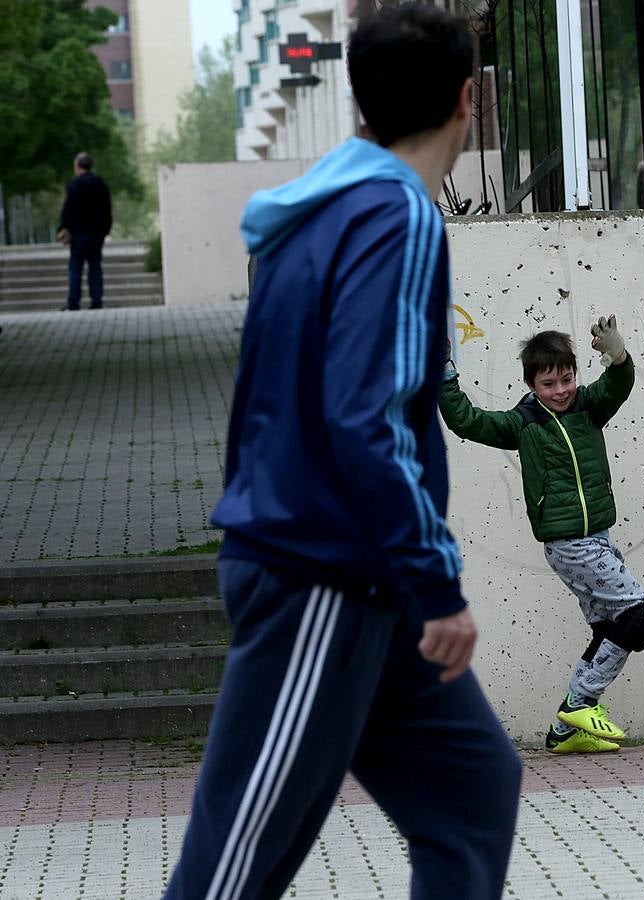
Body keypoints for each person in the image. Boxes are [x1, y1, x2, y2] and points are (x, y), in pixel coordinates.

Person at [163, 6, 522, 899]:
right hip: (322, 574)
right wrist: (434, 582)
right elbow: (366, 417)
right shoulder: (395, 217)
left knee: (474, 790)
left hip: (357, 572)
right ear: (466, 99)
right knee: (232, 867)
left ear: (357, 100)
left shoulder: (315, 211)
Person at [439, 318, 644, 754]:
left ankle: (567, 728)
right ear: (531, 384)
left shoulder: (588, 407)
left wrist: (617, 356)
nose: (560, 390)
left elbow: (619, 383)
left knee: (609, 629)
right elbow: (467, 421)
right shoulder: (523, 424)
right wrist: (445, 373)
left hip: (598, 537)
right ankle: (580, 706)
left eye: (566, 379)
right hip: (568, 543)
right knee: (641, 617)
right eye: (549, 383)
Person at [57, 152, 112, 310]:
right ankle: (96, 300)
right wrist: (106, 228)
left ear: (77, 166)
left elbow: (68, 208)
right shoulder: (100, 184)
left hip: (79, 232)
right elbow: (107, 208)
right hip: (97, 232)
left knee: (76, 266)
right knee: (95, 265)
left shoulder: (74, 185)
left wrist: (62, 226)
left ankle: (74, 302)